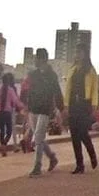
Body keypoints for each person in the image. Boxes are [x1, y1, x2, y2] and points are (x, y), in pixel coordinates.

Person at [62, 44, 99, 174]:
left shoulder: (90, 70)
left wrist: (94, 105)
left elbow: (95, 89)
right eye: (76, 53)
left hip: (85, 104)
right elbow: (68, 89)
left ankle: (92, 154)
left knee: (83, 132)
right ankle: (79, 164)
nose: (78, 55)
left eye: (80, 52)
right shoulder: (72, 69)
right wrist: (66, 105)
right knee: (74, 135)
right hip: (73, 104)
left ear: (85, 54)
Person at [24, 49, 61, 177]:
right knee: (39, 138)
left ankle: (37, 167)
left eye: (37, 58)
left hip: (45, 110)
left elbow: (57, 92)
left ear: (42, 59)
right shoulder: (33, 74)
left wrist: (60, 108)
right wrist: (26, 106)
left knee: (38, 137)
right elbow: (28, 91)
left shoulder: (52, 75)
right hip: (33, 109)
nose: (35, 60)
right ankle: (52, 157)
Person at [0, 72, 21, 158]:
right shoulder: (10, 90)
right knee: (9, 131)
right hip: (7, 112)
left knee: (2, 131)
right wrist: (22, 106)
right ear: (8, 81)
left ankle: (3, 148)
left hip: (0, 113)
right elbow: (15, 100)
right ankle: (4, 144)